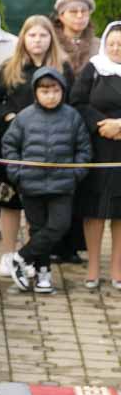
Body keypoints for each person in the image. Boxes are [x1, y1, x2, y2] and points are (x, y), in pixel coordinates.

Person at [4, 66, 90, 295]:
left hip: (62, 185)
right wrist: (17, 173)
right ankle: (43, 273)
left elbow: (83, 149)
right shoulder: (24, 118)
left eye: (55, 91)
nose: (50, 96)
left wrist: (75, 173)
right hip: (30, 184)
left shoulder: (73, 117)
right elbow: (10, 146)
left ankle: (21, 258)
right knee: (38, 228)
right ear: (35, 92)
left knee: (59, 226)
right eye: (45, 91)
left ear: (63, 91)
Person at [71, 22, 121, 290]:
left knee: (120, 213)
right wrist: (103, 125)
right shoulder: (94, 68)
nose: (116, 48)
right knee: (95, 210)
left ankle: (117, 268)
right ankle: (92, 268)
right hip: (99, 146)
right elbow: (78, 102)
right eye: (112, 43)